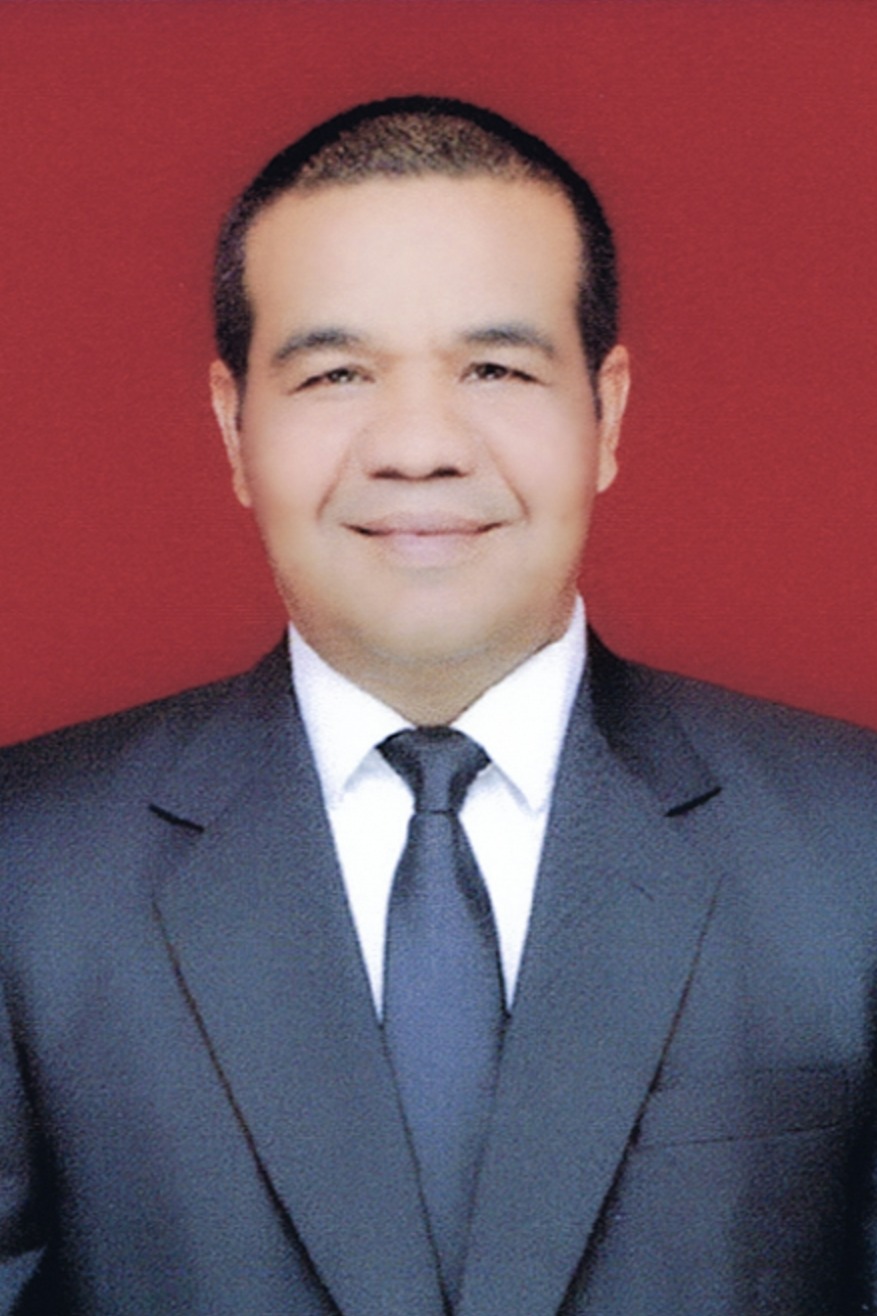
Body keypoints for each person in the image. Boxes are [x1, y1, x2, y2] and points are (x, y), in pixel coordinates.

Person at [2, 95, 877, 1316]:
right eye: (337, 373)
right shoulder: (28, 875)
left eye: (495, 369)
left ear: (606, 414)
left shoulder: (850, 849)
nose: (418, 447)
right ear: (234, 428)